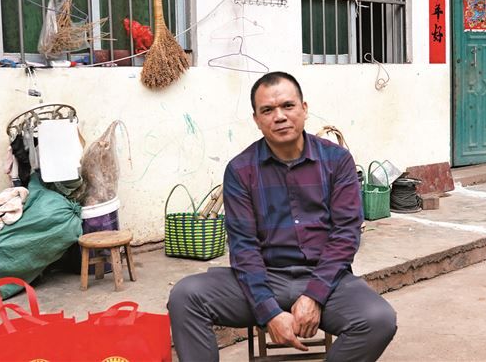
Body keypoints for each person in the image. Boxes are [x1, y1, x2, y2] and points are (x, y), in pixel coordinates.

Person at [167, 72, 397, 361]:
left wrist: (314, 295)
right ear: (256, 119)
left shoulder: (336, 161)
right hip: (264, 277)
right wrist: (269, 311)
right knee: (186, 295)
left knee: (378, 319)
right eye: (267, 110)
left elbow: (346, 234)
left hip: (326, 278)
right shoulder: (241, 169)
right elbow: (243, 247)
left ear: (304, 108)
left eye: (288, 106)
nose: (279, 117)